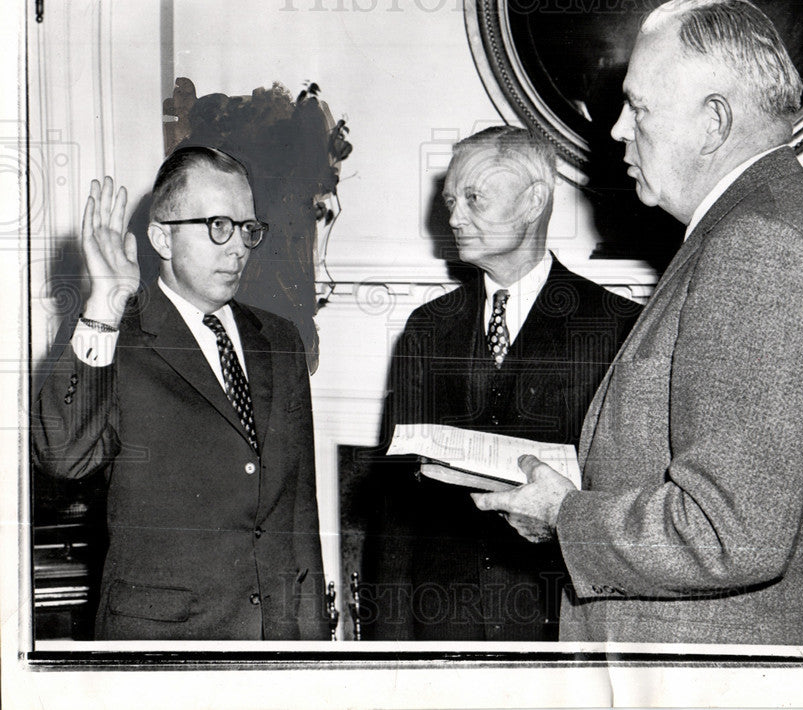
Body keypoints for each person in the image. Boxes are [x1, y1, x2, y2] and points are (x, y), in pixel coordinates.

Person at [473, 0, 803, 646]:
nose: (615, 130)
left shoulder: (757, 243)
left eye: (637, 107)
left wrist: (565, 517)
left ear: (714, 122)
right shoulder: (762, 219)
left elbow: (729, 532)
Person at [31, 146, 327, 641]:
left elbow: (300, 514)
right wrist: (104, 300)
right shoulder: (110, 333)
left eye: (248, 229)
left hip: (275, 645)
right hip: (164, 646)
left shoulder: (280, 339)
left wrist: (315, 651)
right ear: (160, 238)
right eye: (218, 226)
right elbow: (61, 458)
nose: (238, 248)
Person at [359, 126, 641, 641]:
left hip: (558, 625)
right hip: (442, 625)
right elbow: (392, 512)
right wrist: (388, 647)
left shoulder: (617, 327)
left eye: (473, 198)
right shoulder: (427, 327)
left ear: (533, 200)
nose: (454, 218)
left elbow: (624, 507)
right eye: (450, 201)